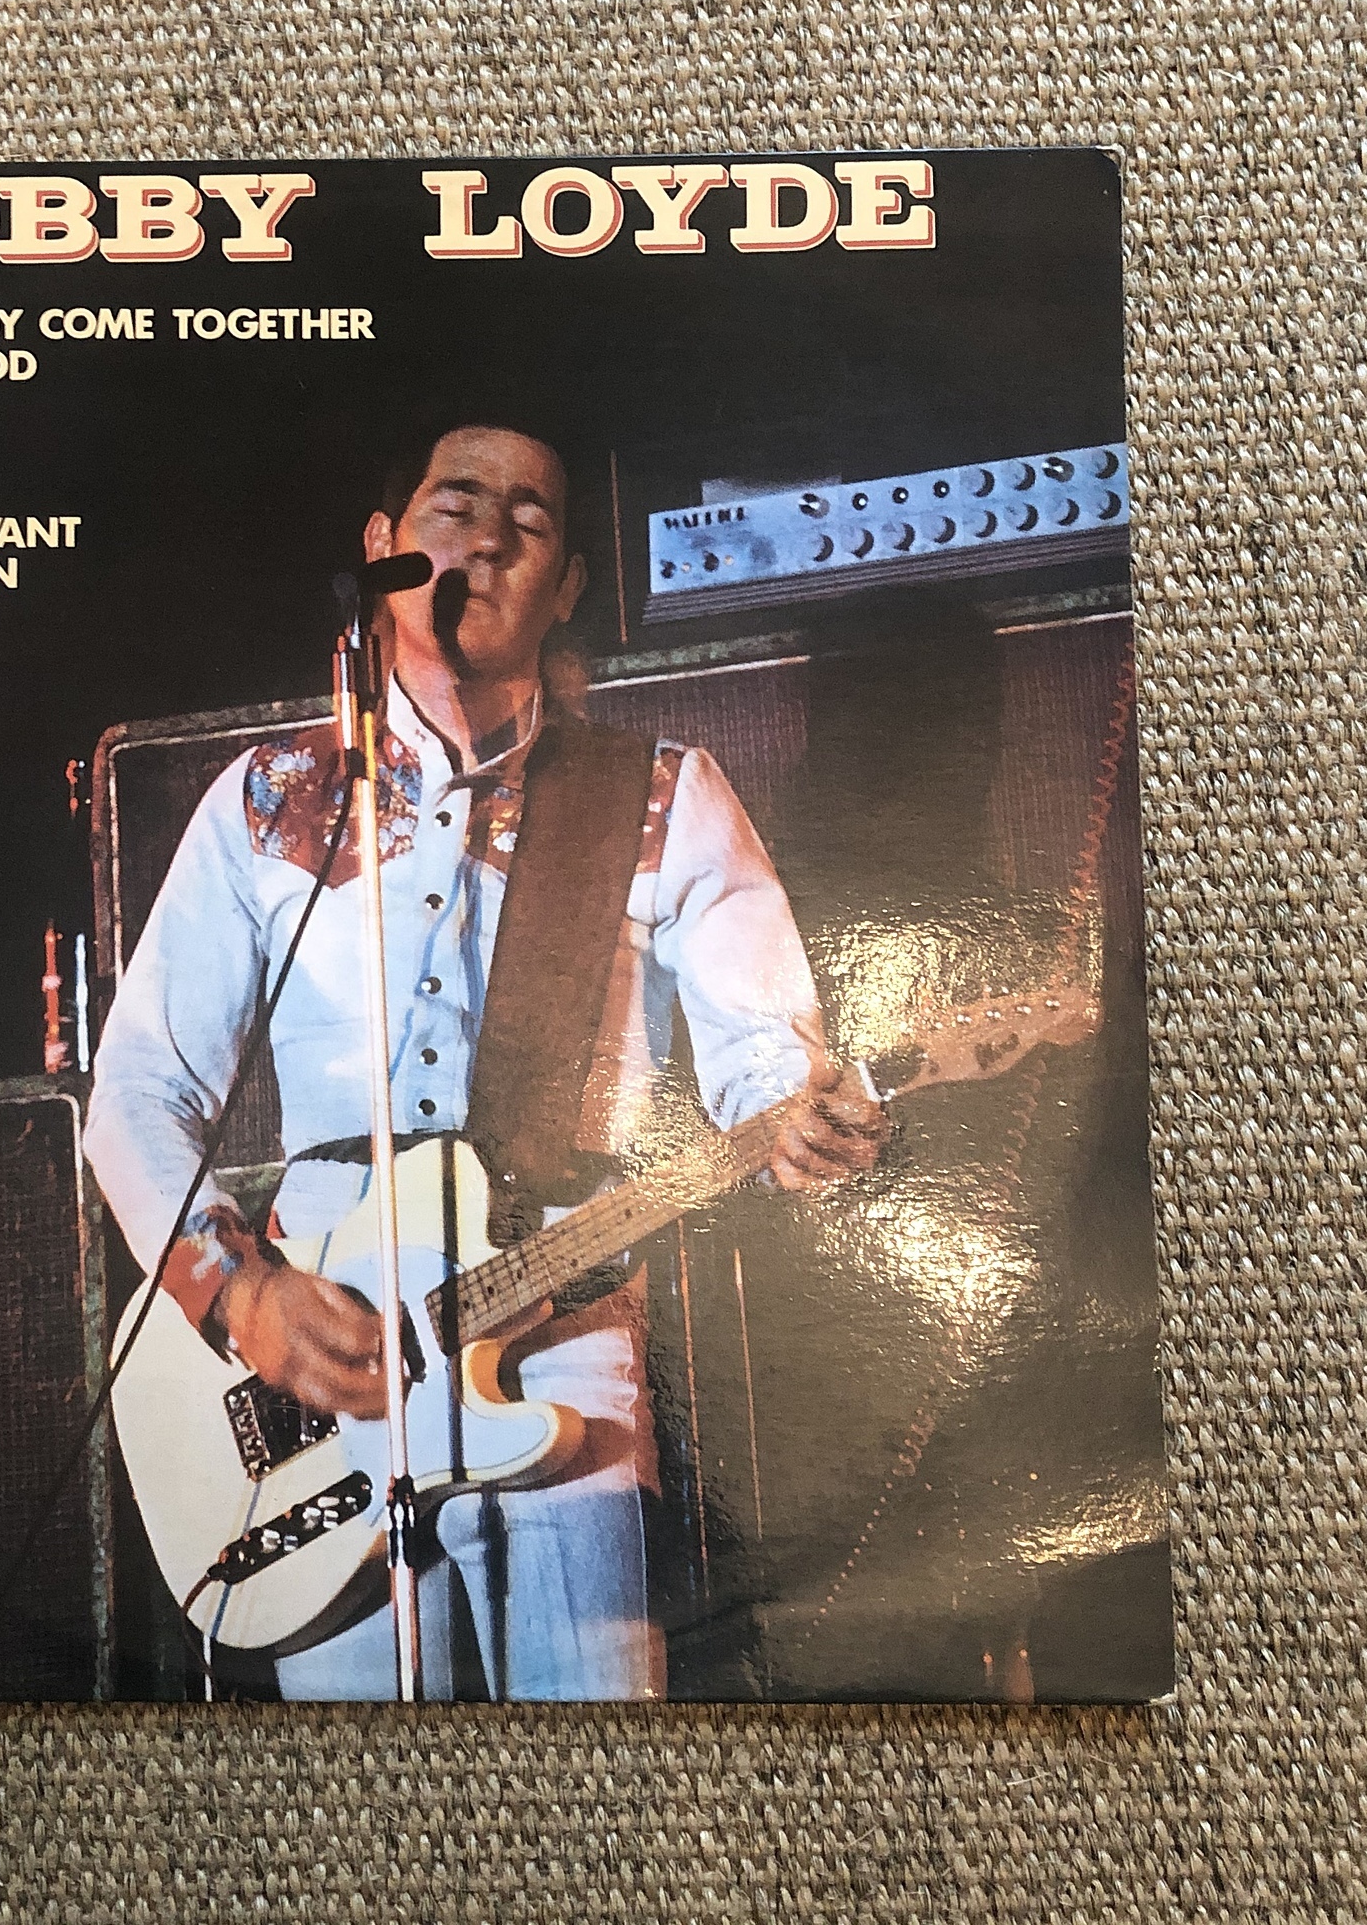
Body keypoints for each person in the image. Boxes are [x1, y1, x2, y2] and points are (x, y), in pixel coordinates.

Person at [85, 419, 886, 1699]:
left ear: (566, 587)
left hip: (560, 1334)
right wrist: (238, 1293)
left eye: (530, 521)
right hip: (318, 1348)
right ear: (382, 544)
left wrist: (802, 1120)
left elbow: (764, 1067)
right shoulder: (267, 798)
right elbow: (138, 1088)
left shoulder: (662, 795)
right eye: (454, 506)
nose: (488, 540)